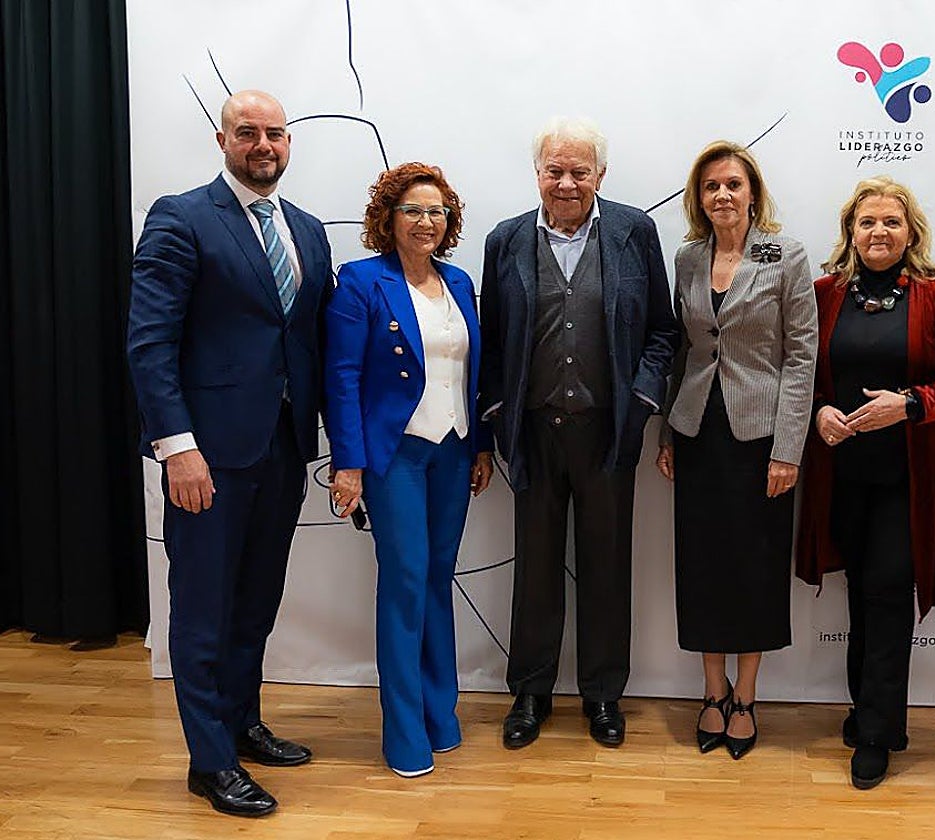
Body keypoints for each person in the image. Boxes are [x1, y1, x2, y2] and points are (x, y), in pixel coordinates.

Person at [127, 90, 333, 817]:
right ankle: (209, 763)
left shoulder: (306, 230)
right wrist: (177, 447)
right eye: (248, 132)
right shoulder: (181, 218)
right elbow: (149, 343)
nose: (264, 144)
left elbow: (311, 342)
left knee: (256, 603)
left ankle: (242, 725)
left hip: (282, 449)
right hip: (206, 457)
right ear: (223, 139)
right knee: (204, 610)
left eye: (275, 133)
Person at [479, 116, 680, 749]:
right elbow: (493, 343)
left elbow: (662, 331)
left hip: (607, 433)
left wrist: (642, 402)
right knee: (534, 569)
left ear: (600, 174)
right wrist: (493, 426)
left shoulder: (633, 232)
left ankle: (602, 694)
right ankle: (531, 693)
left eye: (579, 171)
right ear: (537, 173)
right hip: (535, 432)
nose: (566, 183)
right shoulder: (505, 239)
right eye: (554, 170)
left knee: (606, 565)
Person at [795, 176, 935, 789]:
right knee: (859, 597)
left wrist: (911, 405)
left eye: (891, 223)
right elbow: (803, 373)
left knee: (889, 593)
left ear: (910, 232)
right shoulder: (823, 294)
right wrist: (818, 412)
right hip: (840, 476)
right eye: (867, 222)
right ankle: (872, 712)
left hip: (908, 479)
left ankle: (875, 734)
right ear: (850, 231)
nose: (879, 232)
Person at [324, 163, 493, 778]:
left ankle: (439, 714)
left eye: (437, 212)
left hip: (453, 450)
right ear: (388, 218)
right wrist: (349, 464)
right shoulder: (361, 282)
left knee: (436, 580)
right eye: (414, 211)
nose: (427, 222)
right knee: (404, 582)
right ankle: (403, 731)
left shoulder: (459, 281)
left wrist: (481, 445)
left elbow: (475, 371)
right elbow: (340, 378)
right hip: (394, 454)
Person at [655, 141, 817, 760]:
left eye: (733, 184)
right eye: (711, 186)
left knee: (753, 566)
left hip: (761, 439)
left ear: (753, 193)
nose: (723, 195)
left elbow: (801, 355)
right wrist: (669, 432)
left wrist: (789, 449)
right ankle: (711, 690)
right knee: (702, 565)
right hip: (699, 431)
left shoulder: (785, 254)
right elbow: (683, 351)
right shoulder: (688, 258)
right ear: (700, 198)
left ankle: (746, 696)